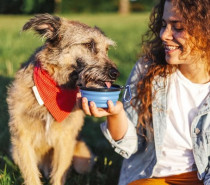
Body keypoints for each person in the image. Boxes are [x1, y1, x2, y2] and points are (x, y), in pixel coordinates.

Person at [80, 0, 210, 184]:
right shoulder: (148, 69)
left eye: (178, 27)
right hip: (153, 177)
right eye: (164, 24)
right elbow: (131, 145)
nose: (164, 35)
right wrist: (116, 114)